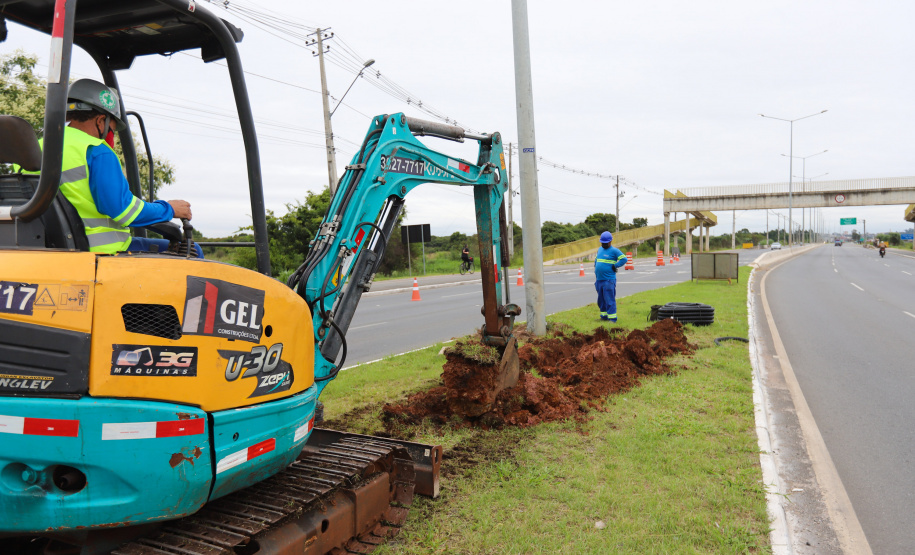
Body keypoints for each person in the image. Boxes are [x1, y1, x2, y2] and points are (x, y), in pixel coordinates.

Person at [43, 78, 194, 254]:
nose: (110, 137)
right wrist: (168, 209)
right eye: (111, 130)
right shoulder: (97, 151)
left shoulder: (39, 147)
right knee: (192, 249)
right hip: (103, 252)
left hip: (51, 250)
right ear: (101, 121)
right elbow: (123, 210)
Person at [594, 231, 627, 322]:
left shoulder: (614, 251)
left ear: (610, 242)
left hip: (608, 280)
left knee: (609, 300)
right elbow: (597, 260)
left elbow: (624, 259)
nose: (604, 244)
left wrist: (615, 265)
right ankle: (604, 316)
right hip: (599, 280)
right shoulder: (600, 249)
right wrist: (595, 269)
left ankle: (612, 319)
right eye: (602, 243)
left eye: (605, 243)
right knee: (601, 300)